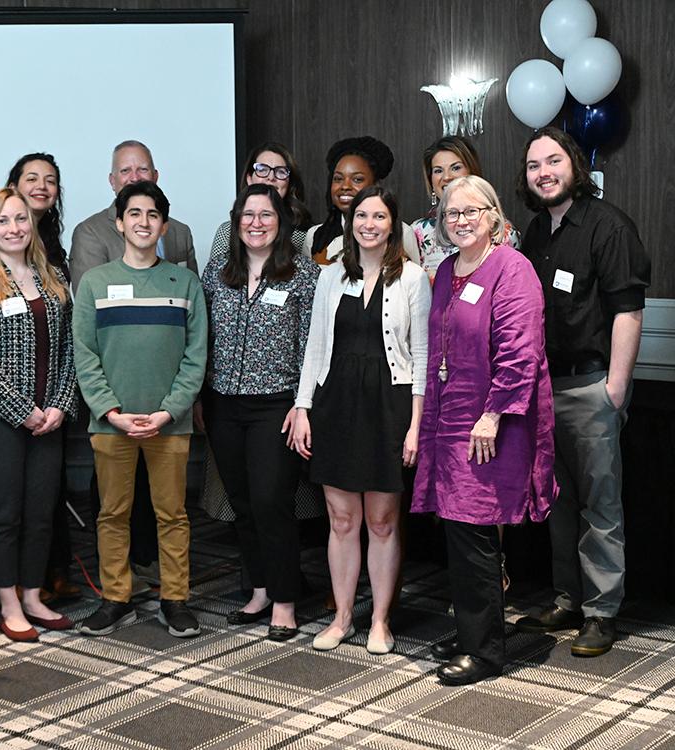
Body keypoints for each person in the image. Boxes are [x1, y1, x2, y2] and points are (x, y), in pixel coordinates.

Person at [411, 175, 556, 686]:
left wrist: (492, 415)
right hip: (449, 422)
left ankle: (485, 652)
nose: (462, 221)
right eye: (452, 213)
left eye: (472, 211)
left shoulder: (512, 269)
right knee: (458, 530)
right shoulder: (446, 271)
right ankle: (473, 632)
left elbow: (521, 352)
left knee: (476, 533)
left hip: (491, 424)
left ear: (494, 217)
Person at [514, 128, 651, 657]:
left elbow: (628, 311)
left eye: (553, 161)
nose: (544, 172)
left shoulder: (608, 226)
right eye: (534, 166)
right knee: (559, 500)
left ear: (574, 165)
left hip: (592, 384)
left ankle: (601, 612)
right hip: (545, 388)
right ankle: (568, 599)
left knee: (600, 503)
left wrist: (615, 388)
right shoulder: (536, 231)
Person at [291, 186, 430, 655]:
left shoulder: (413, 278)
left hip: (389, 407)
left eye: (379, 216)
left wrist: (416, 425)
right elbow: (315, 347)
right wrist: (303, 408)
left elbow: (422, 356)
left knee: (383, 520)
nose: (369, 224)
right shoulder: (331, 276)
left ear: (394, 226)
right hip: (336, 405)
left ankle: (381, 621)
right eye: (361, 216)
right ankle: (343, 617)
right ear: (350, 224)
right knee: (342, 519)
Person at [73, 181, 207, 638]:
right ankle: (115, 598)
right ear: (119, 222)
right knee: (113, 514)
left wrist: (169, 412)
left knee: (172, 515)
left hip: (170, 424)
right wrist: (111, 412)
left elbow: (195, 356)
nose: (143, 222)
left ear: (164, 226)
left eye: (153, 214)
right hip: (112, 424)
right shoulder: (95, 283)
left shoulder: (185, 283)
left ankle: (175, 599)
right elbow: (85, 354)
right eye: (134, 213)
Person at [0, 187, 77, 642]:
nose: (13, 228)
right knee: (5, 514)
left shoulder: (52, 277)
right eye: (3, 220)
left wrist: (60, 404)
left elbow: (70, 349)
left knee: (41, 513)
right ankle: (8, 603)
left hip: (49, 418)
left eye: (21, 219)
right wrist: (23, 411)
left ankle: (33, 595)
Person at [201, 184, 319, 641]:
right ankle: (260, 590)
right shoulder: (218, 273)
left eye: (265, 215)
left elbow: (313, 347)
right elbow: (202, 339)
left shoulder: (303, 275)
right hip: (223, 404)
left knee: (272, 501)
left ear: (281, 222)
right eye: (247, 215)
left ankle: (286, 600)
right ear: (236, 222)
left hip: (277, 405)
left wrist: (302, 404)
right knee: (244, 502)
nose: (256, 223)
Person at [6, 153, 80, 602]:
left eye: (50, 180)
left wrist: (59, 399)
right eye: (31, 178)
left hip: (53, 391)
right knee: (11, 497)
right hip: (8, 400)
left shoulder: (54, 249)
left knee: (49, 491)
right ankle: (17, 579)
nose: (41, 186)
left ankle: (53, 570)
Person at [69, 140, 197, 292]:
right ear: (112, 181)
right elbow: (90, 297)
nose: (135, 178)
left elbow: (192, 293)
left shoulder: (181, 232)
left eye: (143, 169)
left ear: (155, 176)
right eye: (125, 170)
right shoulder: (89, 232)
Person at [412, 136, 522, 282]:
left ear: (472, 172)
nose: (447, 177)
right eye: (438, 170)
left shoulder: (502, 231)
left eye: (456, 168)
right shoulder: (417, 233)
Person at [304, 136, 417, 265]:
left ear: (375, 185)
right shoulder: (315, 236)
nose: (345, 186)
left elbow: (415, 276)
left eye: (357, 179)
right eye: (338, 179)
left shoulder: (401, 232)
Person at [207, 142, 312, 260]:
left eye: (280, 171)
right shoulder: (227, 232)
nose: (271, 177)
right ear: (249, 179)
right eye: (262, 169)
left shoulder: (306, 235)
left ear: (289, 183)